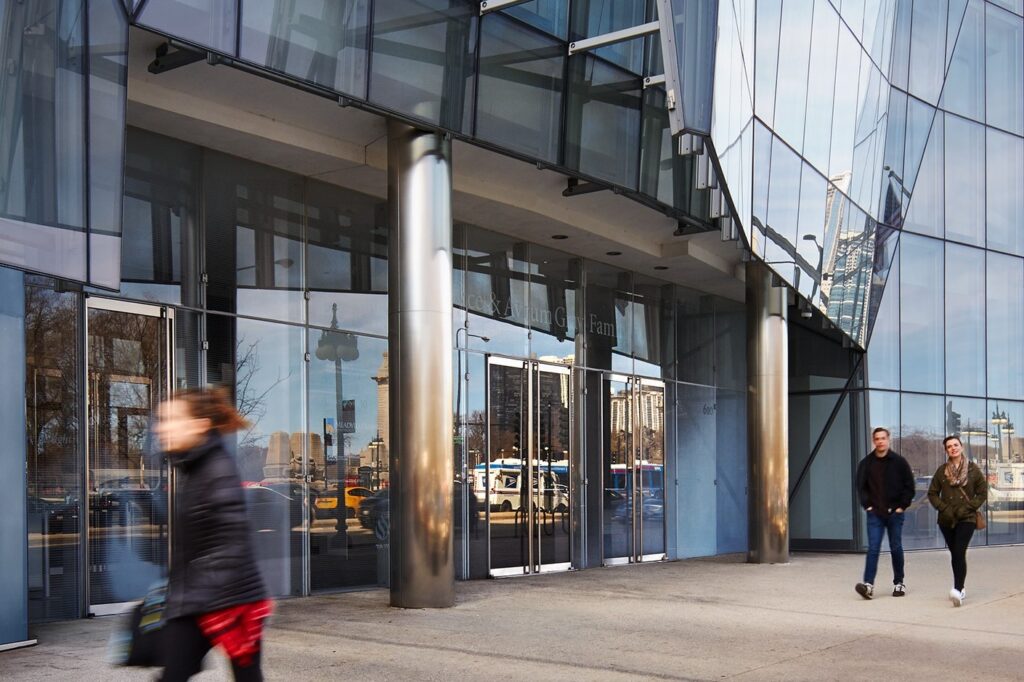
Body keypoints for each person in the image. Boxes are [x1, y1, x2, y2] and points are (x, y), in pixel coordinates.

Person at [153, 387, 271, 681]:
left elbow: (232, 542)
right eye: (161, 420)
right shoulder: (194, 466)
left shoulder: (215, 469)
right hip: (208, 596)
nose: (161, 428)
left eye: (171, 419)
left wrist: (193, 595)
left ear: (199, 424)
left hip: (222, 601)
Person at [854, 427, 915, 599]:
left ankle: (899, 583)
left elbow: (909, 486)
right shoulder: (866, 463)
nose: (880, 441)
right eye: (877, 439)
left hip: (895, 513)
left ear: (888, 440)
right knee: (873, 548)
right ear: (874, 441)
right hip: (875, 514)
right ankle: (868, 585)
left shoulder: (899, 462)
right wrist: (868, 506)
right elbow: (861, 487)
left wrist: (902, 506)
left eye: (883, 438)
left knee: (896, 547)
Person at [927, 435, 987, 607]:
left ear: (961, 446)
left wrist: (968, 508)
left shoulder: (973, 470)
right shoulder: (942, 471)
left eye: (955, 445)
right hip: (946, 519)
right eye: (949, 446)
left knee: (959, 551)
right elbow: (932, 493)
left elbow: (983, 492)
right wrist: (943, 508)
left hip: (966, 518)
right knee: (955, 554)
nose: (953, 448)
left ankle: (958, 589)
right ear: (946, 450)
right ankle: (961, 586)